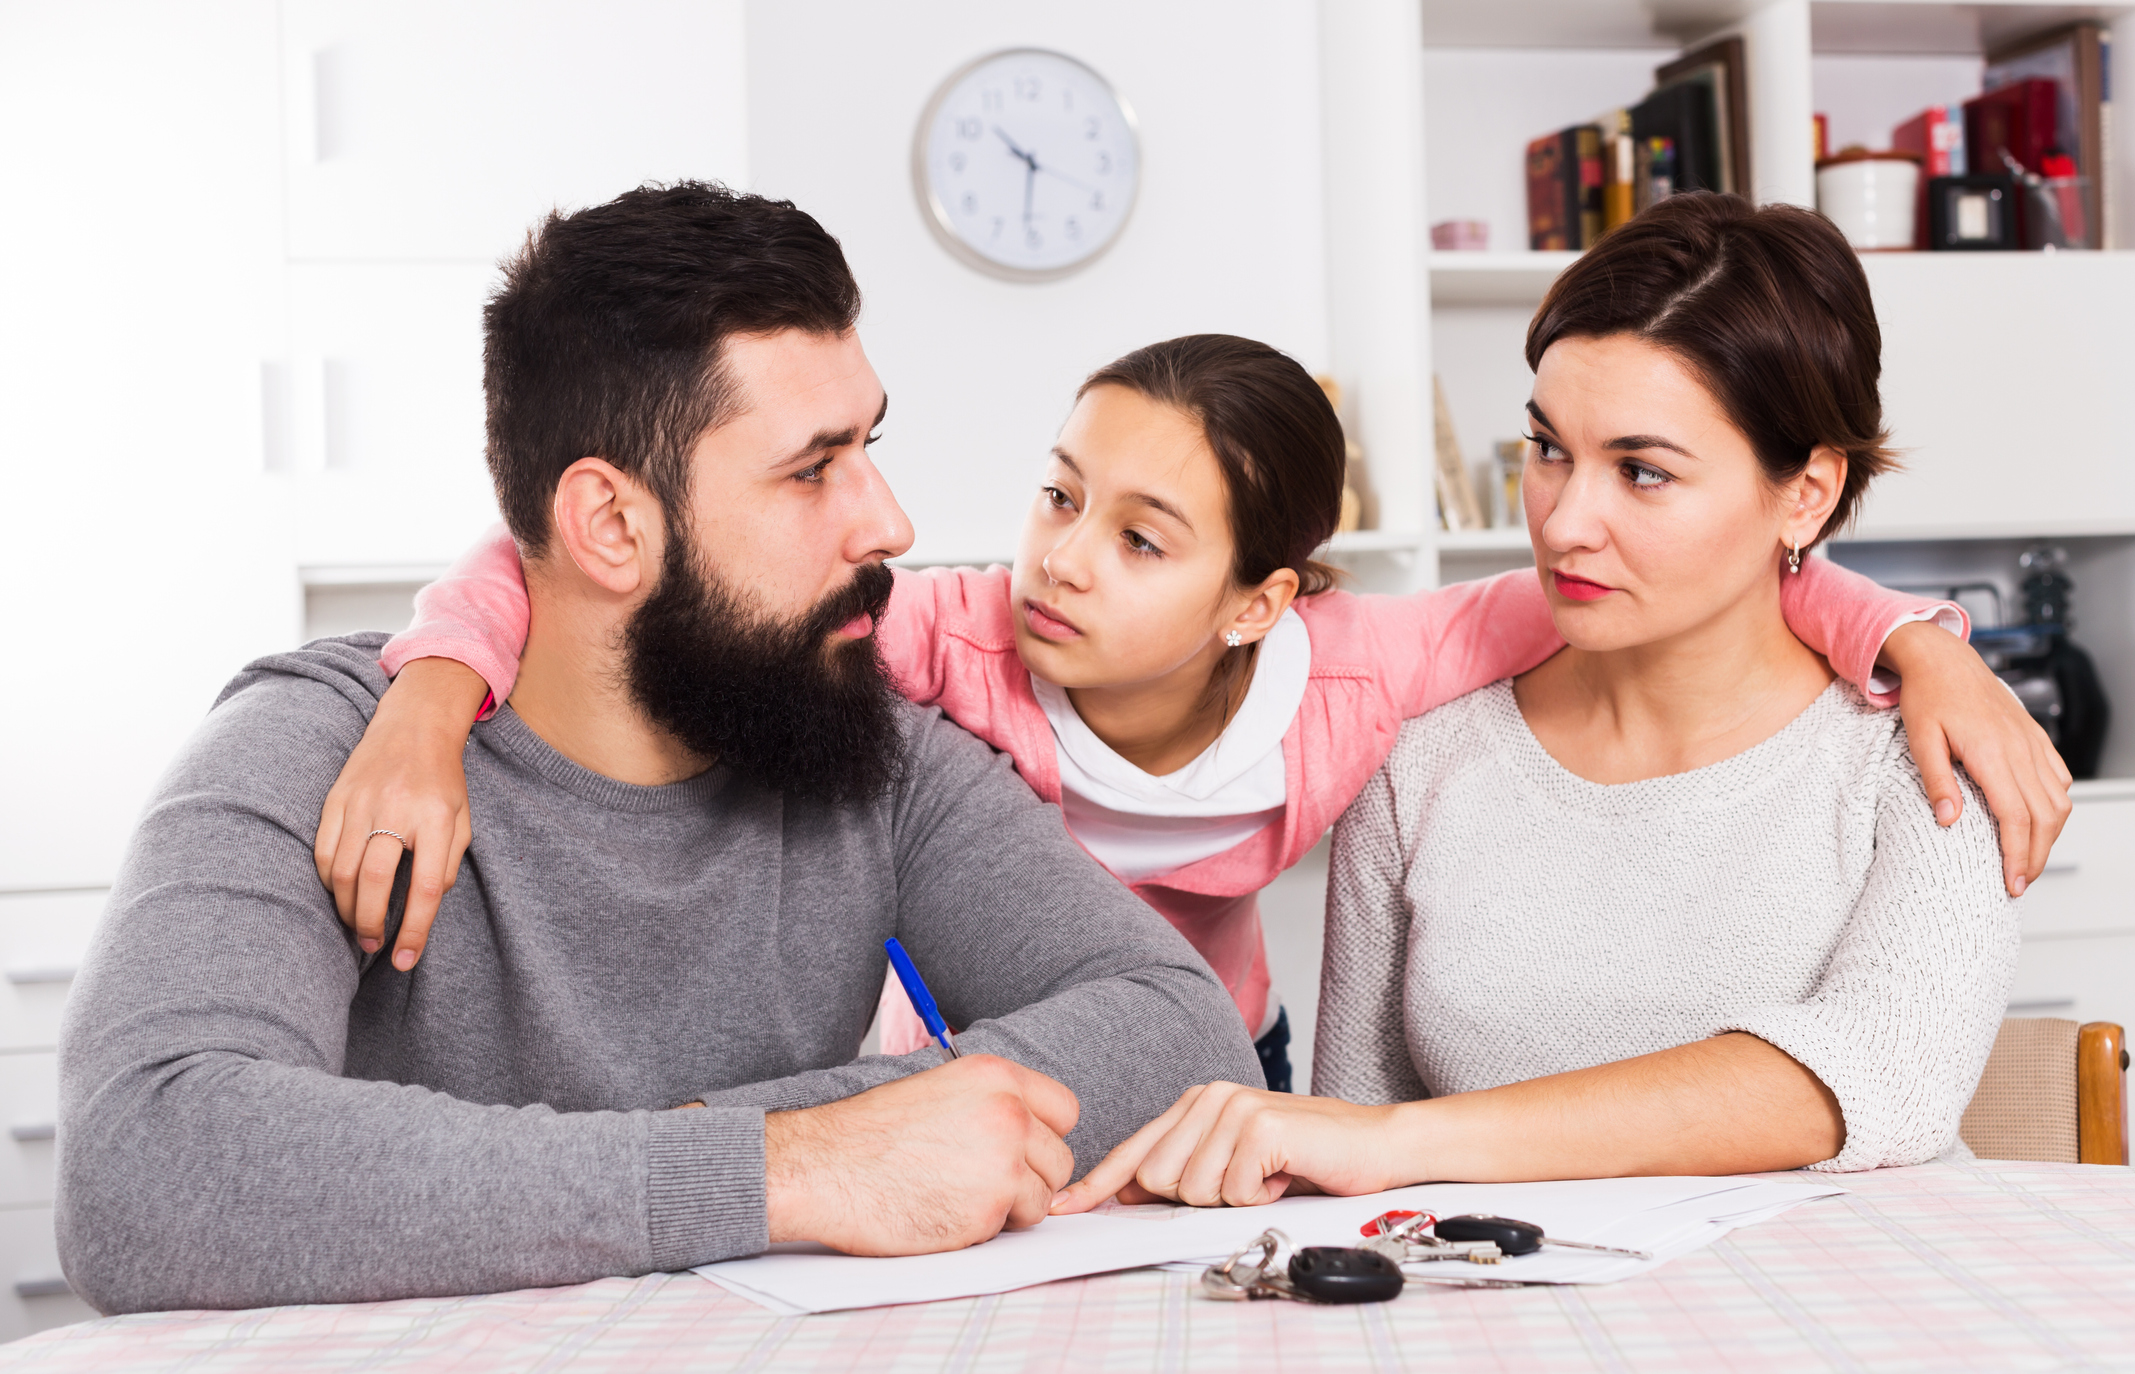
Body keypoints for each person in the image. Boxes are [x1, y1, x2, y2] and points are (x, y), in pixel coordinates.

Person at [55, 182, 1264, 1314]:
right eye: (812, 471)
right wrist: (780, 1170)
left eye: (869, 448)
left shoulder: (877, 758)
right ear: (612, 526)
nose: (887, 523)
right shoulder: (331, 746)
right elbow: (143, 1161)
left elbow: (1183, 1037)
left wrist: (728, 1145)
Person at [330, 342, 2063, 1089]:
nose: (1058, 562)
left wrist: (1923, 644)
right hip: (957, 1056)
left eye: (1140, 536)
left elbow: (1690, 573)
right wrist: (428, 690)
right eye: (1058, 494)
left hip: (1226, 1060)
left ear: (1259, 599)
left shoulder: (1368, 673)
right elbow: (576, 547)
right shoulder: (948, 633)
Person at [1050, 193, 2035, 1213]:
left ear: (1805, 495)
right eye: (1548, 448)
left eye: (1641, 472)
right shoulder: (1422, 755)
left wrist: (1402, 1141)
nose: (1565, 522)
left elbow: (1880, 1075)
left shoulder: (1925, 743)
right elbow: (1349, 1138)